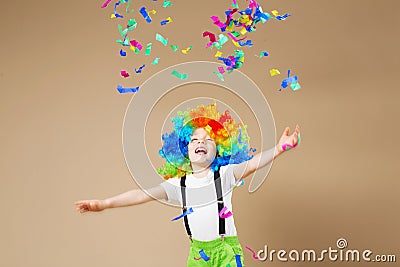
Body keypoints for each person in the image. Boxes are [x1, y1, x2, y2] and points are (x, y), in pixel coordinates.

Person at [75, 102, 300, 267]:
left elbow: (253, 163)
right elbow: (141, 194)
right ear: (185, 149)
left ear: (218, 151)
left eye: (208, 140)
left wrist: (280, 148)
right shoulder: (178, 185)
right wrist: (104, 203)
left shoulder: (225, 175)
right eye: (194, 140)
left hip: (226, 250)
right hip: (197, 255)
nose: (200, 142)